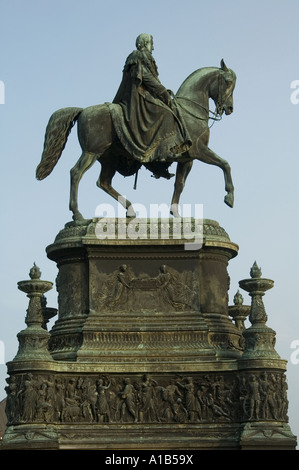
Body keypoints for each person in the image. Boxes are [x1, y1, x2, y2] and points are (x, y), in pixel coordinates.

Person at [111, 34, 191, 179]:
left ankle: (157, 160)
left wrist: (163, 92)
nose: (153, 47)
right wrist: (162, 92)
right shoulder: (137, 55)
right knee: (166, 114)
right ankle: (163, 152)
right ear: (145, 43)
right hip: (138, 96)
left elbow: (153, 79)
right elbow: (146, 77)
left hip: (146, 93)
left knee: (167, 109)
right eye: (151, 44)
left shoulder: (146, 58)